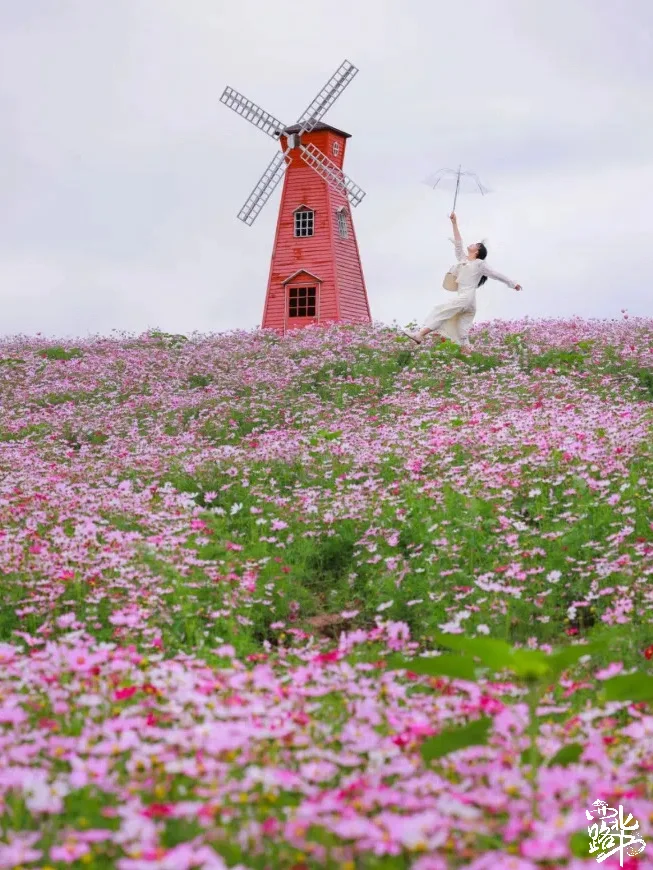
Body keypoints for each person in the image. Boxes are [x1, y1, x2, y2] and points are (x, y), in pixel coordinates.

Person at [404, 212, 522, 349]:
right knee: (462, 334)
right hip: (469, 302)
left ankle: (420, 334)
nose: (472, 244)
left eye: (476, 244)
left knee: (441, 311)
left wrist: (512, 283)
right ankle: (470, 357)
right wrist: (454, 223)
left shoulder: (479, 264)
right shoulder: (463, 260)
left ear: (477, 251)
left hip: (466, 297)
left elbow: (496, 274)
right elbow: (458, 243)